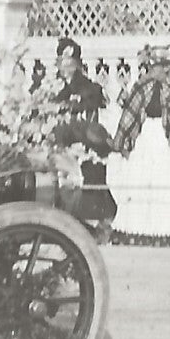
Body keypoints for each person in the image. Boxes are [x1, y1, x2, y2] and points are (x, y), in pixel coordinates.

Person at [107, 45, 170, 242]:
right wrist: (122, 142)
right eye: (151, 66)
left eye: (157, 67)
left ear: (167, 67)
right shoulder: (141, 85)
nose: (153, 70)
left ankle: (162, 231)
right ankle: (136, 229)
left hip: (165, 140)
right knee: (139, 180)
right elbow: (130, 115)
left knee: (163, 182)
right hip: (145, 136)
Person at [50, 37, 116, 227]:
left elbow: (92, 110)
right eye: (62, 60)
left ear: (77, 63)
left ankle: (92, 221)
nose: (66, 65)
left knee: (90, 179)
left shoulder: (89, 88)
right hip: (60, 144)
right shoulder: (51, 87)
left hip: (84, 145)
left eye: (70, 61)